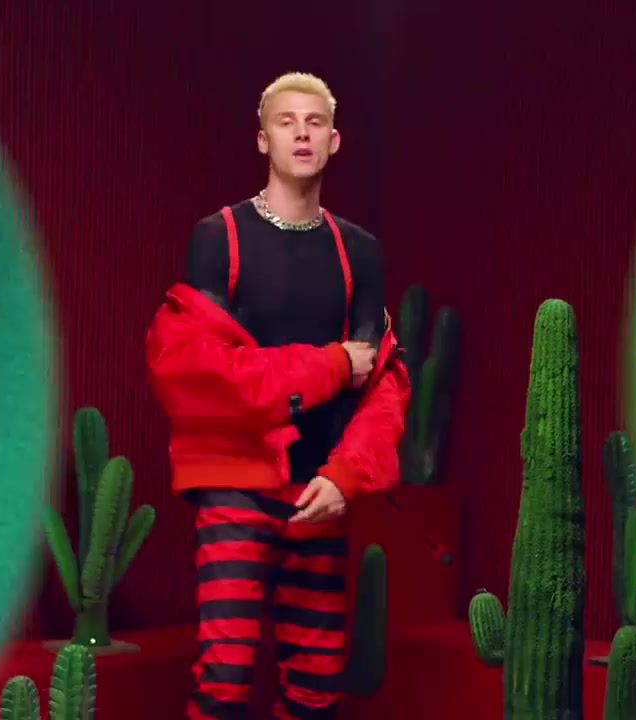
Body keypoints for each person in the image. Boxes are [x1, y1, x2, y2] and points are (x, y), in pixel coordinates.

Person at [145, 72, 411, 720]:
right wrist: (329, 366)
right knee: (224, 685)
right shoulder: (219, 237)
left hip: (319, 490)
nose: (301, 133)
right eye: (286, 122)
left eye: (314, 122)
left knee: (317, 692)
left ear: (334, 140)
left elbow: (381, 382)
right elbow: (203, 375)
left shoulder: (359, 251)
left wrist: (347, 476)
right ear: (263, 139)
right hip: (234, 484)